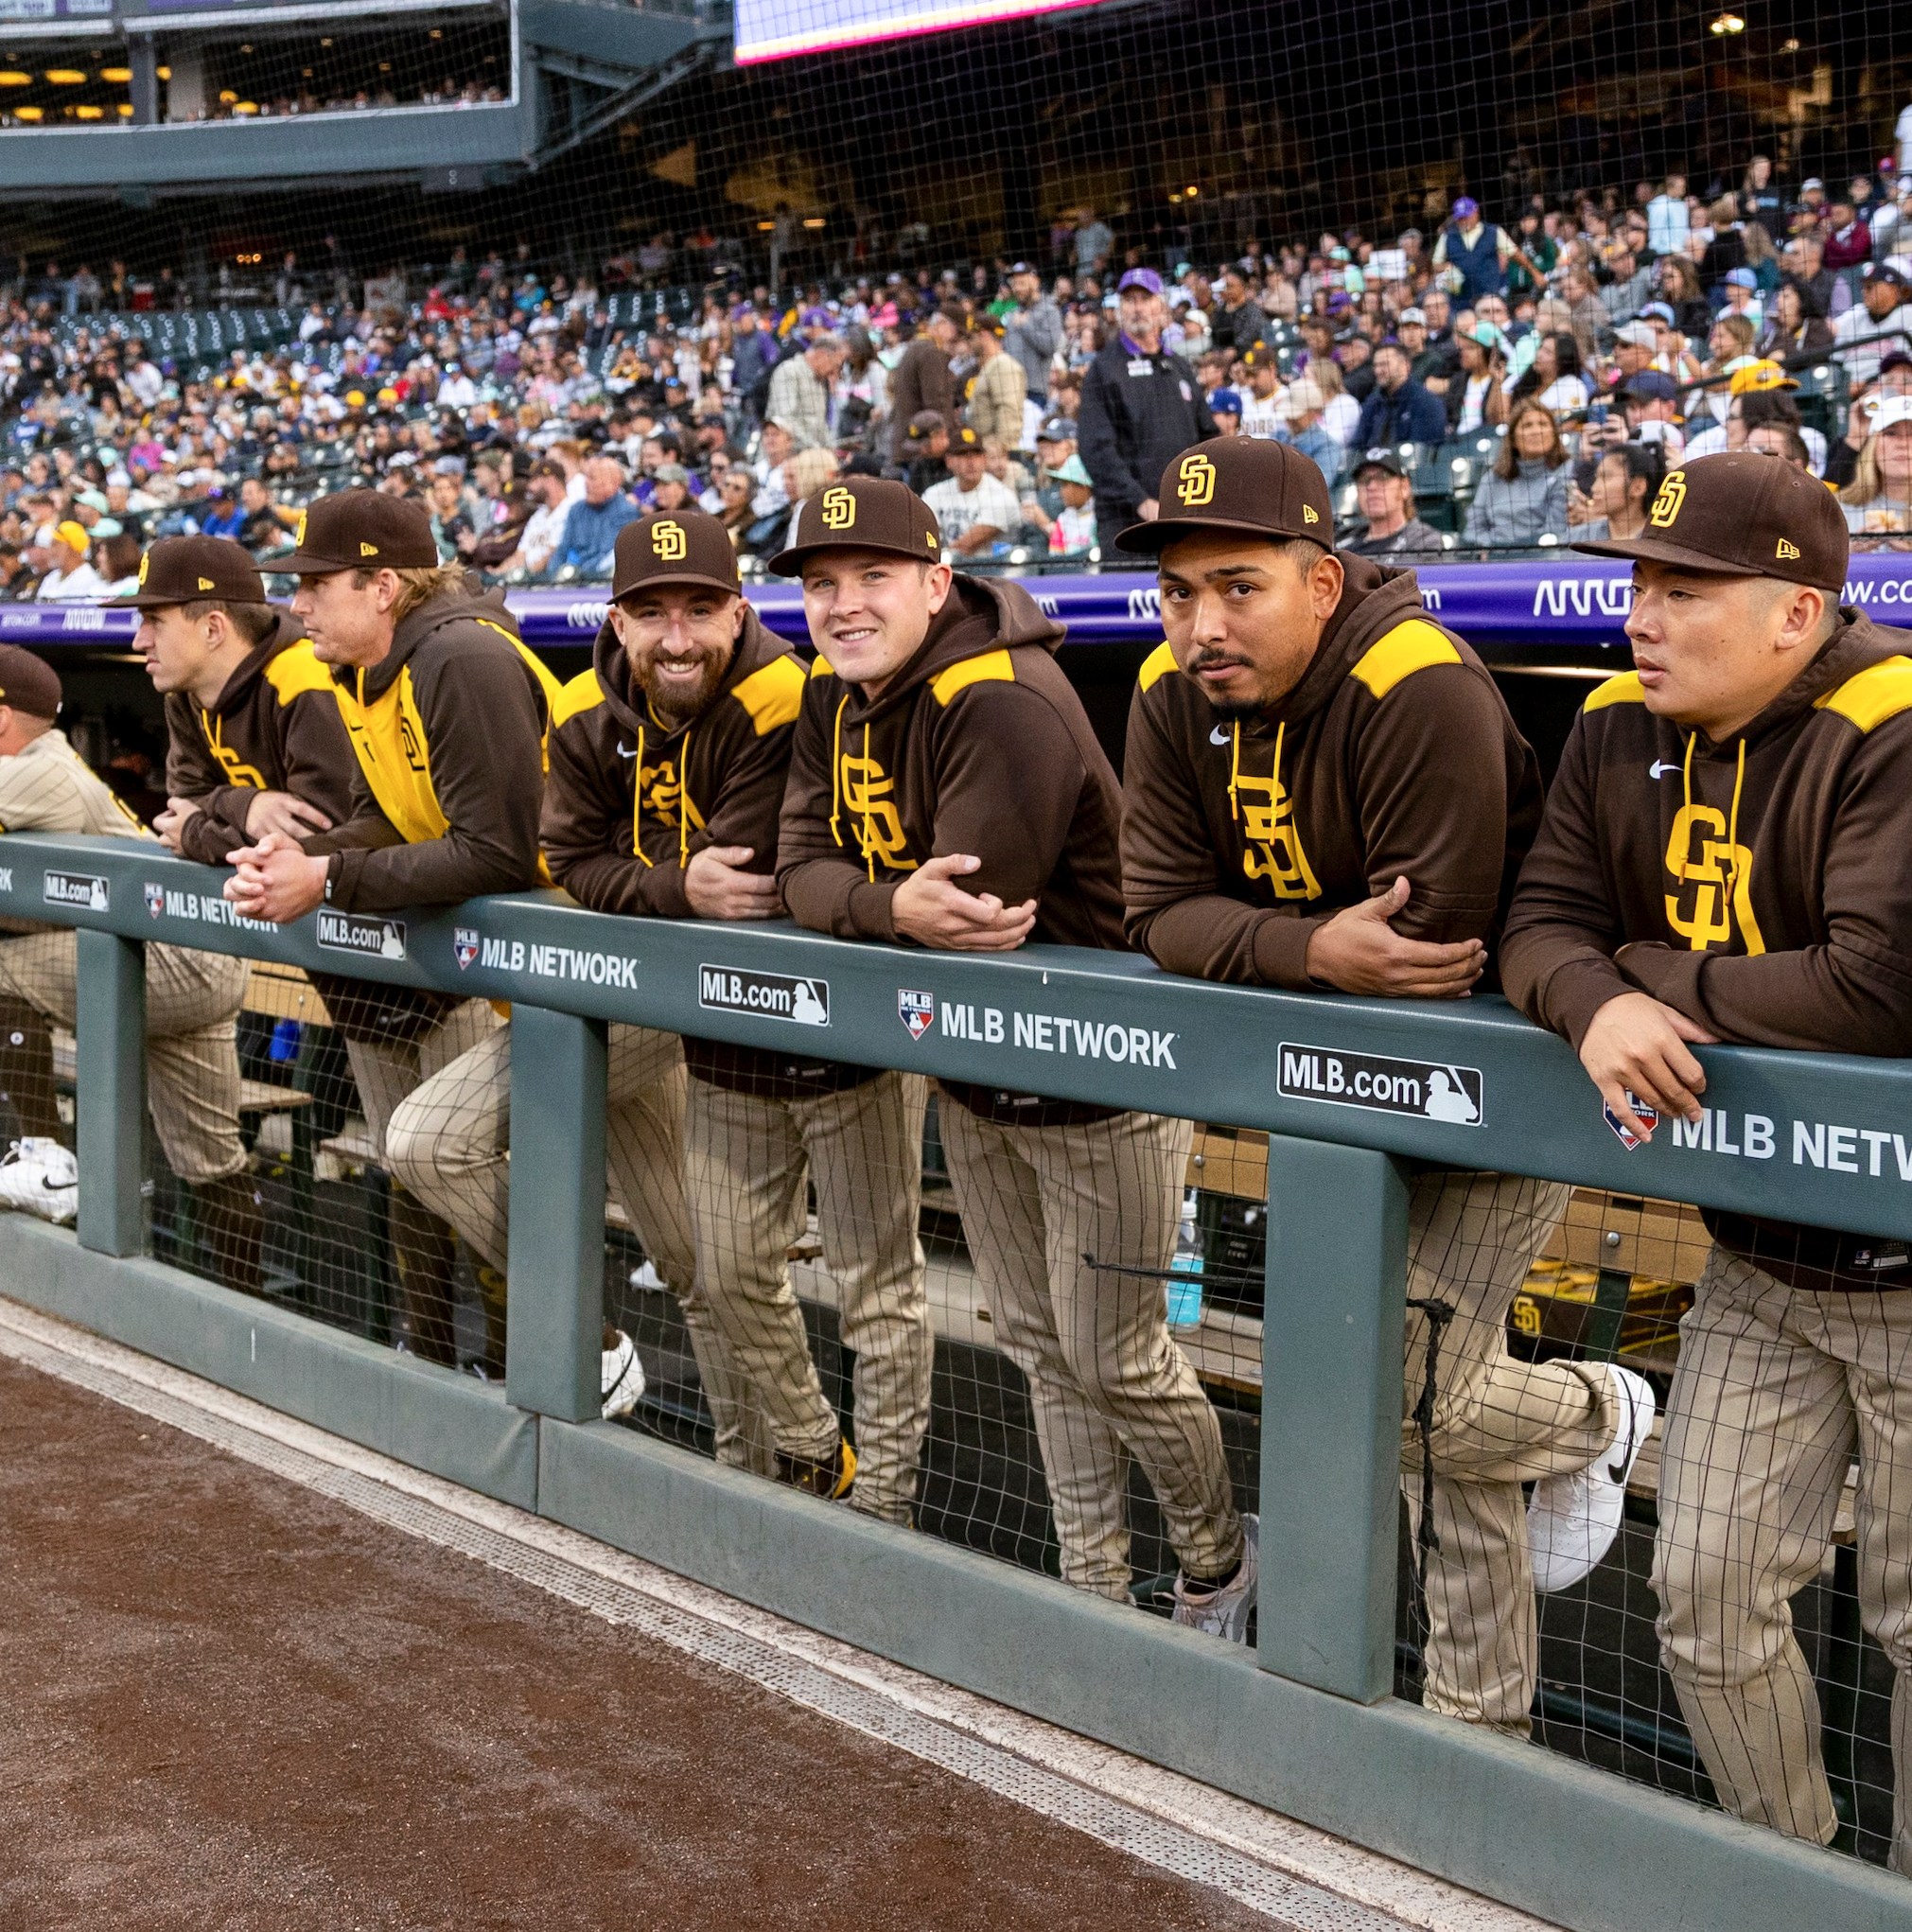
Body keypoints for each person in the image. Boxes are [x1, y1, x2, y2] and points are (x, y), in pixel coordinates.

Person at [1117, 436, 1646, 1730]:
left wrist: (1277, 950)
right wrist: (1308, 947)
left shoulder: (1415, 681)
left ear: (1320, 579)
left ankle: (1598, 1413)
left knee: (1408, 1392)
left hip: (1490, 1085)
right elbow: (1155, 910)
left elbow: (1431, 950)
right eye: (1179, 592)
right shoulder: (1162, 682)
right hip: (1328, 1091)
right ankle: (1481, 1725)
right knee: (1426, 1433)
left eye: (1237, 586)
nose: (1199, 624)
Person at [1500, 453, 1912, 1869]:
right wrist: (1595, 998)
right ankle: (1790, 1877)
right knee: (1705, 1592)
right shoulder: (1616, 722)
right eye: (1637, 584)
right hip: (1761, 1253)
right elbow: (1537, 919)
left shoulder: (1894, 721)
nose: (1641, 617)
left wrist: (1643, 967)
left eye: (1684, 590)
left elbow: (1879, 985)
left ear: (1795, 613)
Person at [771, 475, 1253, 1626]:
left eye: (871, 578)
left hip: (1100, 1077)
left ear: (937, 582)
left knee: (1117, 1354)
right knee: (1039, 1343)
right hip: (977, 1072)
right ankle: (1091, 1584)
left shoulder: (1001, 695)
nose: (842, 605)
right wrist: (884, 906)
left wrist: (861, 899)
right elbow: (800, 865)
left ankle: (1216, 1562)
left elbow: (976, 906)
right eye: (822, 584)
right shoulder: (834, 696)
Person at [395, 511, 803, 1456]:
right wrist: (664, 881)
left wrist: (649, 881)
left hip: (728, 1001)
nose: (676, 635)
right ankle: (724, 1437)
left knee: (722, 1264)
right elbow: (570, 853)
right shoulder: (583, 703)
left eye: (699, 608)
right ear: (614, 619)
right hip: (611, 994)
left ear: (736, 612)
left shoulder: (782, 691)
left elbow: (734, 875)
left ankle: (765, 1460)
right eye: (650, 611)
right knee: (690, 1256)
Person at [220, 491, 565, 1377]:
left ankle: (569, 1353)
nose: (298, 605)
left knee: (690, 1249)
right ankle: (545, 1362)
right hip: (524, 978)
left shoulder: (459, 657)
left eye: (316, 585)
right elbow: (384, 816)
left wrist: (326, 876)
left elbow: (496, 852)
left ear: (383, 585)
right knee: (695, 1251)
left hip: (594, 958)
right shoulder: (370, 670)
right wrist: (298, 858)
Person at [0, 644, 263, 1293]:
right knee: (212, 1162)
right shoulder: (40, 762)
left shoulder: (38, 768)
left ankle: (47, 1157)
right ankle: (245, 1308)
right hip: (183, 956)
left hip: (166, 960)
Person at [124, 536, 354, 872]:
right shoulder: (184, 690)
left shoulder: (303, 676)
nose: (139, 641)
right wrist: (245, 805)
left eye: (154, 621)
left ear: (213, 629)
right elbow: (183, 800)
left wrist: (197, 834)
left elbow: (322, 832)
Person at [1078, 268, 1217, 552]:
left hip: (1184, 519)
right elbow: (1095, 449)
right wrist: (1141, 501)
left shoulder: (1179, 366)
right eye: (1129, 300)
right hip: (1127, 525)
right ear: (1119, 309)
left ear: (1161, 306)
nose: (1137, 307)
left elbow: (1208, 438)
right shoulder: (1104, 370)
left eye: (1145, 298)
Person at [1463, 400, 1571, 547]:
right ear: (1513, 439)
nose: (1536, 431)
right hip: (1493, 558)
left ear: (1554, 433)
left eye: (1543, 424)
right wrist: (1492, 550)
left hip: (1543, 557)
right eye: (1527, 425)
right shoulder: (1492, 478)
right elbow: (1472, 530)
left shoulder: (1567, 471)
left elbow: (1555, 531)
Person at [922, 425, 1021, 557]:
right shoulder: (934, 493)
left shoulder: (1001, 495)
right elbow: (923, 537)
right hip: (948, 568)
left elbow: (965, 546)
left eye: (976, 455)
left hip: (992, 571)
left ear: (984, 459)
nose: (971, 462)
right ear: (949, 461)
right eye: (963, 455)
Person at [887, 307, 961, 464]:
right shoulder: (931, 352)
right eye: (956, 331)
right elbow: (936, 402)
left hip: (908, 442)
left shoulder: (915, 346)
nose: (955, 337)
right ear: (941, 324)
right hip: (924, 448)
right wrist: (946, 439)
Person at [1342, 448, 1445, 557]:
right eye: (1364, 479)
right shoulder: (1342, 539)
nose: (1371, 487)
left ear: (1404, 487)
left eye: (1383, 477)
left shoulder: (1424, 541)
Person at [550, 454, 638, 579]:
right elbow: (562, 550)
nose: (586, 483)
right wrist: (552, 577)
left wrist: (580, 573)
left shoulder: (626, 512)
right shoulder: (576, 510)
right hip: (570, 579)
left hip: (603, 580)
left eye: (592, 478)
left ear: (614, 482)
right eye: (586, 477)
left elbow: (609, 555)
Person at [1838, 394, 1912, 536]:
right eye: (1891, 433)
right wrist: (1851, 554)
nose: (1903, 443)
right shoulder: (1838, 508)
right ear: (1872, 446)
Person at [1832, 264, 1912, 387]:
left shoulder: (1908, 315)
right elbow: (1836, 360)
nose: (1864, 291)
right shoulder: (1854, 315)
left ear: (1894, 290)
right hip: (1845, 389)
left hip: (1888, 387)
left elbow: (1901, 365)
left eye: (1870, 286)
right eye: (1863, 287)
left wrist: (1865, 384)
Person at [1352, 342, 1446, 448]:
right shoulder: (1373, 403)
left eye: (1384, 364)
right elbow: (1356, 447)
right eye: (1376, 365)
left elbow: (1421, 452)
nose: (1378, 371)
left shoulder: (1427, 403)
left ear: (1405, 365)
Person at [1568, 440, 1664, 543]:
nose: (1594, 488)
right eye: (1597, 477)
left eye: (1606, 477)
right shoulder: (1576, 539)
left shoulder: (1661, 542)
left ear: (1638, 487)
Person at [1002, 263, 1063, 413]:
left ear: (1036, 281)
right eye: (1015, 284)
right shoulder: (1012, 314)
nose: (1017, 288)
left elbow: (1050, 347)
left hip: (1035, 391)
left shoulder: (1050, 310)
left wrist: (1025, 326)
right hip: (1010, 390)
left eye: (1022, 283)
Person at [764, 333, 841, 452]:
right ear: (822, 355)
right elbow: (785, 420)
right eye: (835, 365)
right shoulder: (789, 371)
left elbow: (820, 426)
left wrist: (830, 449)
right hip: (787, 456)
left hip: (812, 457)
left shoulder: (820, 381)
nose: (834, 372)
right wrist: (815, 449)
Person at [963, 316, 1027, 451]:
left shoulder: (1003, 365)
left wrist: (1002, 449)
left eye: (971, 338)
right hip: (986, 447)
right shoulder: (990, 365)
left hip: (997, 451)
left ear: (984, 335)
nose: (968, 343)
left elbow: (1008, 410)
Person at [33, 520, 102, 601]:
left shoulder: (87, 579)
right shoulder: (52, 577)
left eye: (55, 545)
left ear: (71, 548)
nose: (50, 551)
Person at [1044, 454, 1096, 554]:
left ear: (1084, 487)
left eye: (1065, 485)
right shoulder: (1063, 519)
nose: (1061, 491)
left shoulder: (1102, 517)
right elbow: (1055, 557)